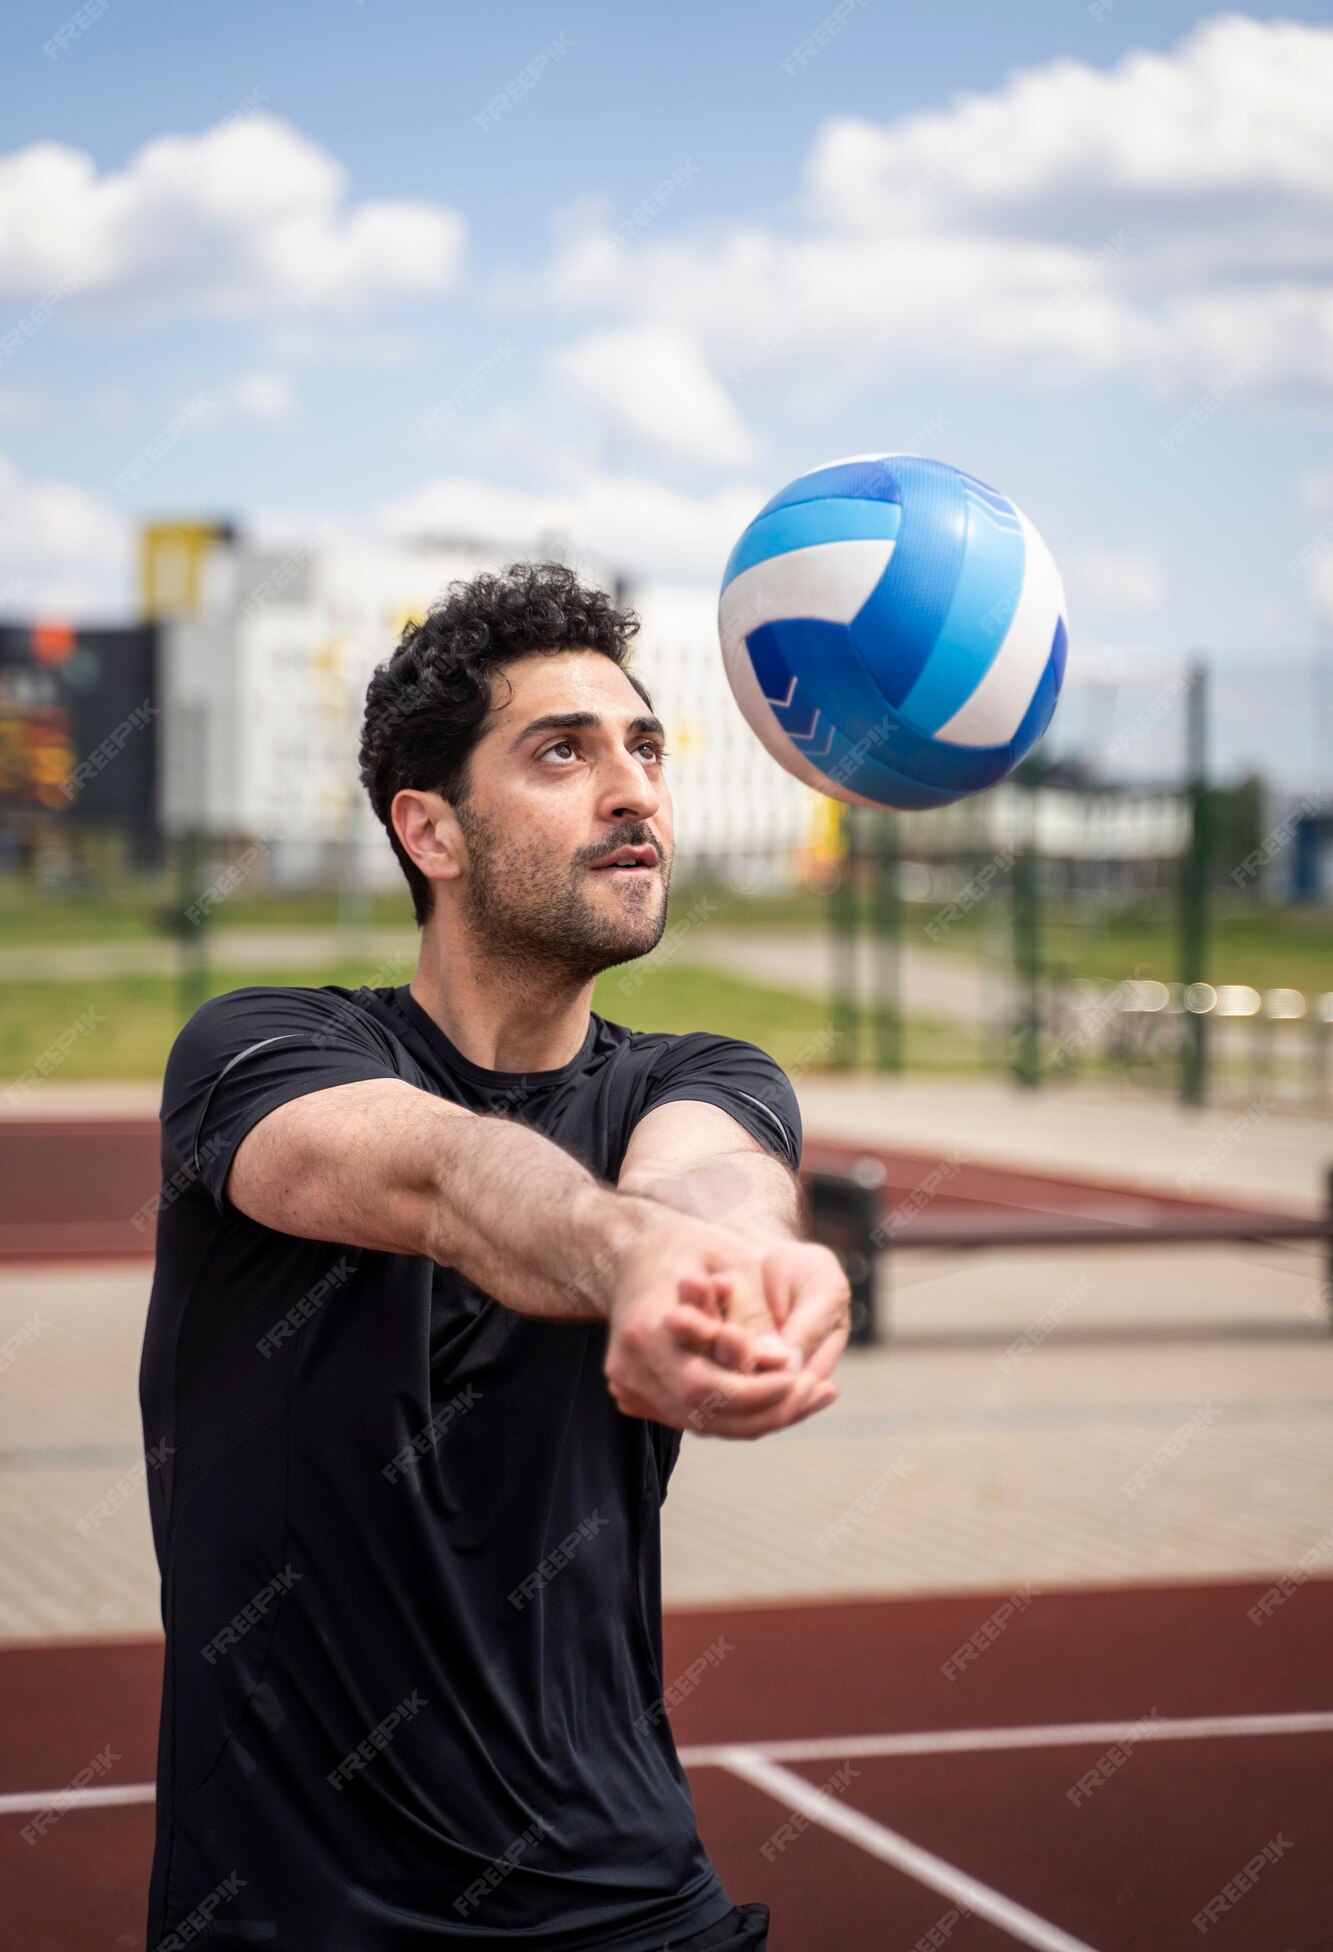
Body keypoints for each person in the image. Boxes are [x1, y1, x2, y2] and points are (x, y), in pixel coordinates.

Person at [139, 561, 851, 1950]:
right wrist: (625, 1259)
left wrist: (746, 1266)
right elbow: (448, 1176)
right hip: (293, 1925)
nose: (634, 786)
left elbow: (714, 1183)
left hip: (632, 1903)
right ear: (432, 831)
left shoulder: (698, 1077)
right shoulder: (257, 1052)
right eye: (562, 751)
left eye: (645, 745)